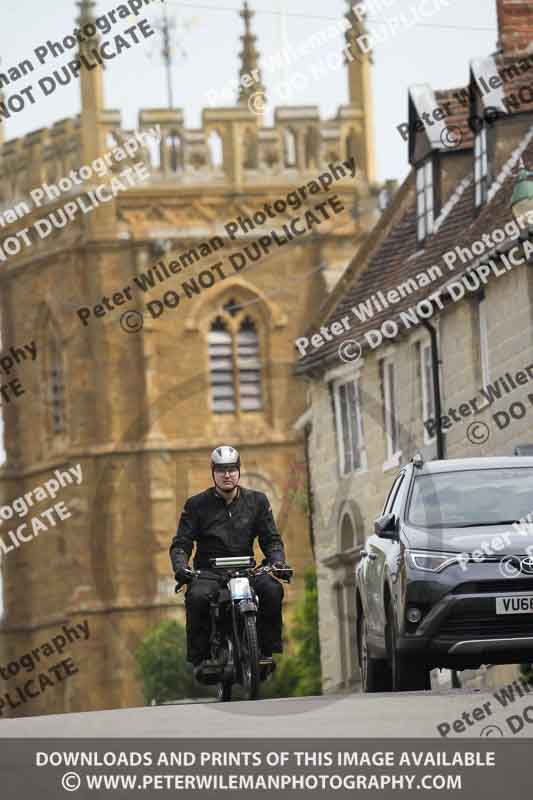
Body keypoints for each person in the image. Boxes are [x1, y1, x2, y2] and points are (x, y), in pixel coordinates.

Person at [169, 445, 292, 672]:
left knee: (272, 590)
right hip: (209, 573)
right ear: (213, 472)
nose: (227, 475)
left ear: (238, 471)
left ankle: (265, 650)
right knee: (196, 597)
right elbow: (182, 543)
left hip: (247, 570)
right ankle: (202, 658)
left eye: (232, 469)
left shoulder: (258, 501)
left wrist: (278, 561)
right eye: (221, 470)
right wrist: (181, 567)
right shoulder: (195, 505)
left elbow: (271, 539)